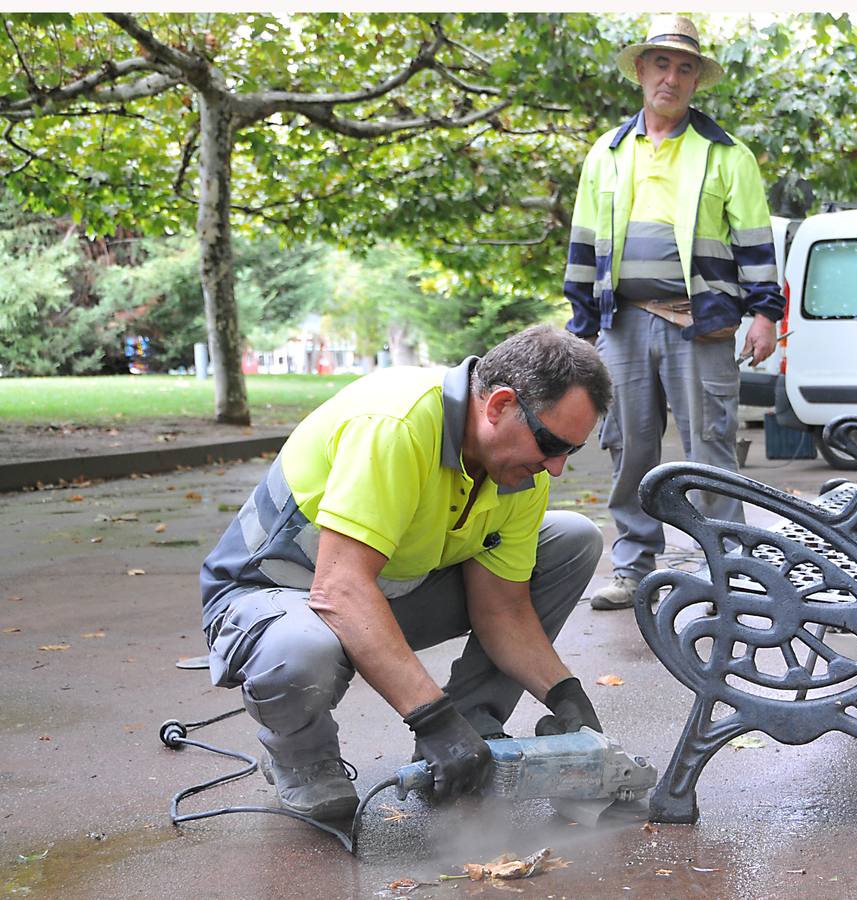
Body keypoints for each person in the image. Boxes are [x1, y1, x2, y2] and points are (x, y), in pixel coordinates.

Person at [198, 326, 612, 820]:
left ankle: (473, 731)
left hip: (382, 590)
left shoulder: (518, 468)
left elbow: (502, 609)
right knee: (301, 650)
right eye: (550, 443)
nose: (558, 467)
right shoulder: (395, 425)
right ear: (498, 406)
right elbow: (341, 589)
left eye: (572, 450)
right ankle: (303, 758)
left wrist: (564, 693)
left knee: (572, 538)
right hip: (273, 595)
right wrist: (431, 718)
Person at [564, 14, 784, 611]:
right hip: (622, 322)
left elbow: (756, 244)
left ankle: (728, 569)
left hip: (701, 319)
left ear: (695, 81)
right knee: (628, 446)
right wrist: (580, 328)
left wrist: (766, 314)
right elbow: (584, 244)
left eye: (685, 67)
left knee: (710, 446)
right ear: (641, 70)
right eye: (661, 63)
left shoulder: (726, 155)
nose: (672, 77)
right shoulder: (605, 154)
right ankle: (634, 567)